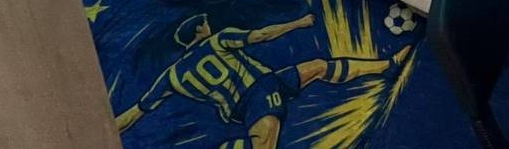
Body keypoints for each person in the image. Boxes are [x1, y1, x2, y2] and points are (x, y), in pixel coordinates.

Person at [114, 12, 410, 149]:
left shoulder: (171, 76)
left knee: (319, 66)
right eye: (205, 23)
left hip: (260, 88)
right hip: (255, 94)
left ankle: (387, 66)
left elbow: (135, 113)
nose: (209, 24)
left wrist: (102, 132)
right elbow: (262, 35)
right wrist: (298, 22)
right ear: (200, 30)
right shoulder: (217, 39)